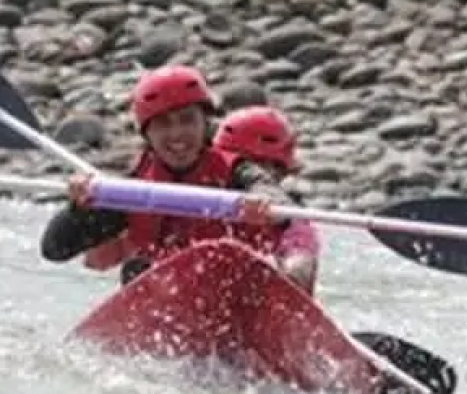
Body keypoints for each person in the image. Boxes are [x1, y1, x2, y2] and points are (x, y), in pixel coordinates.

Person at [38, 65, 290, 284]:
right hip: (162, 300)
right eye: (163, 124)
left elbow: (276, 197)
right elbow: (55, 249)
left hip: (234, 293)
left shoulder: (237, 170)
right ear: (147, 134)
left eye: (187, 120)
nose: (177, 133)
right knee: (137, 269)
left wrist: (263, 201)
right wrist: (80, 208)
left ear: (205, 123)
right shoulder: (134, 190)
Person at [213, 105, 322, 294]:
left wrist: (292, 273)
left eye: (252, 166)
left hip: (270, 302)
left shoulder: (294, 220)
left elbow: (299, 263)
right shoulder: (209, 203)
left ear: (277, 171)